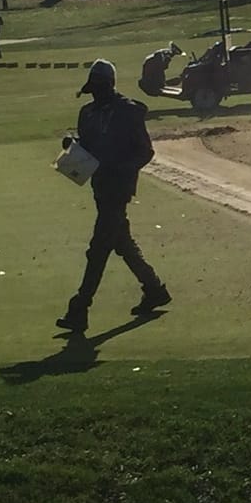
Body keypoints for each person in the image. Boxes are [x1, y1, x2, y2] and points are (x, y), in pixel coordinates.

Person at [57, 60, 170, 332]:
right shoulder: (88, 113)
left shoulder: (129, 112)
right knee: (123, 244)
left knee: (98, 251)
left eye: (98, 88)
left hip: (118, 189)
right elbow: (89, 147)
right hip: (100, 186)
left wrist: (123, 169)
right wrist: (73, 147)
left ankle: (80, 308)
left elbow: (145, 152)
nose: (94, 93)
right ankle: (154, 289)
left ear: (109, 85)